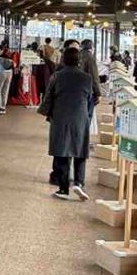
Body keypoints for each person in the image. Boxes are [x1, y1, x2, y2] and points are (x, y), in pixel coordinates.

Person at [39, 48, 93, 201]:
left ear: (63, 60)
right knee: (80, 150)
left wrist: (46, 112)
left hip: (61, 117)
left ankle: (63, 188)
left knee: (62, 151)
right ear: (78, 61)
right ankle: (79, 182)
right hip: (80, 117)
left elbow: (48, 97)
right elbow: (90, 98)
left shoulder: (57, 76)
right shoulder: (87, 78)